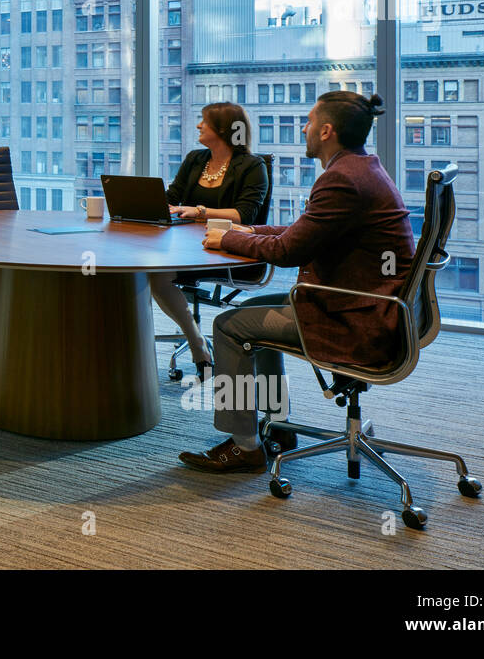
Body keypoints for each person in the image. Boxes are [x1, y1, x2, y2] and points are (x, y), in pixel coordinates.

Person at [178, 92, 414, 473]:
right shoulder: (361, 168)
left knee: (227, 326)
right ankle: (279, 424)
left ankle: (245, 445)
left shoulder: (342, 180)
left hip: (356, 317)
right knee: (253, 311)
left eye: (307, 122)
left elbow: (289, 251)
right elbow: (304, 231)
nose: (302, 129)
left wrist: (230, 238)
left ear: (326, 130)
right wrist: (250, 229)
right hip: (371, 304)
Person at [151, 102, 268, 383]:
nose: (198, 126)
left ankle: (197, 346)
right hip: (185, 247)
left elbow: (245, 214)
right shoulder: (195, 159)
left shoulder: (253, 166)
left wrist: (200, 211)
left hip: (227, 253)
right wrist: (153, 206)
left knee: (157, 275)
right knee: (147, 270)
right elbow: (172, 197)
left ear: (224, 129)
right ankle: (196, 340)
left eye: (204, 121)